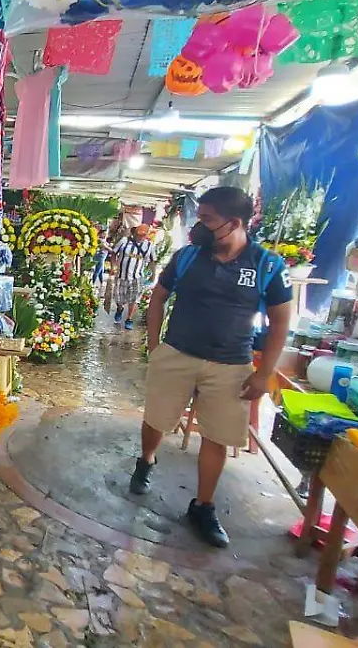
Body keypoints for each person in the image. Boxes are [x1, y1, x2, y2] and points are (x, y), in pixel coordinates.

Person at [130, 187, 293, 548]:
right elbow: (158, 297)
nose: (198, 226)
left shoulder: (266, 266)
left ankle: (203, 505)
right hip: (177, 355)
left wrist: (264, 373)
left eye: (206, 219)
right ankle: (146, 460)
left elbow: (281, 321)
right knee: (157, 418)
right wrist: (155, 346)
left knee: (217, 436)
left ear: (233, 223)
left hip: (231, 365)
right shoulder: (187, 257)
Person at [111, 224, 155, 330]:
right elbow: (113, 253)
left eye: (142, 235)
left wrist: (152, 274)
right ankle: (120, 309)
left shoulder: (149, 246)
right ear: (134, 233)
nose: (140, 237)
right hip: (121, 276)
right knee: (119, 298)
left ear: (146, 236)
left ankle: (129, 319)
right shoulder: (124, 241)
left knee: (134, 299)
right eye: (138, 235)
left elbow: (153, 261)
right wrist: (113, 267)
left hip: (137, 277)